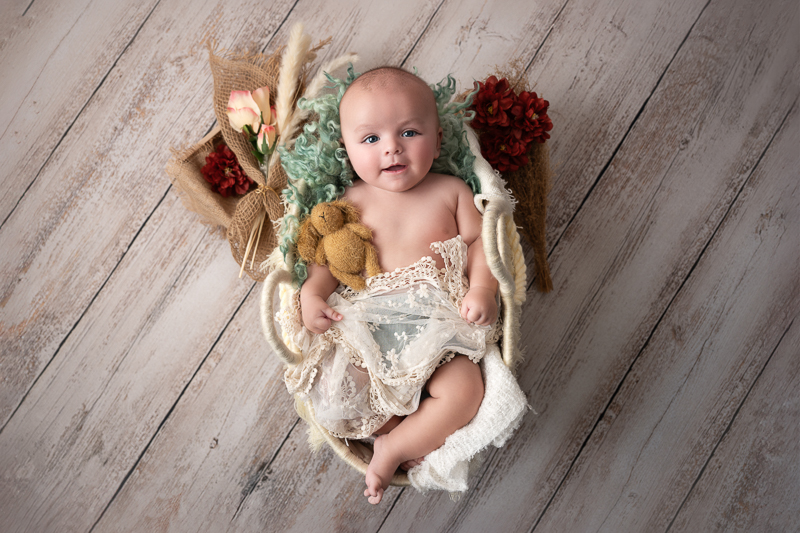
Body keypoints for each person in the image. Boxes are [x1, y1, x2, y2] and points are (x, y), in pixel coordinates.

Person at [290, 67, 498, 504]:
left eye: (409, 132)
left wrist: (481, 288)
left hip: (439, 324)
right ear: (347, 150)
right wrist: (311, 293)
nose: (391, 148)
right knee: (334, 394)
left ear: (438, 139)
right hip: (371, 327)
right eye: (371, 140)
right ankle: (393, 430)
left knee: (465, 390)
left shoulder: (452, 191)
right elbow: (328, 257)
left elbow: (484, 243)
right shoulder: (349, 202)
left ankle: (396, 446)